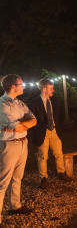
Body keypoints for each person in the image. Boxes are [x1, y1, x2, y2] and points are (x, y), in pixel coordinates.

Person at [0, 74, 37, 223]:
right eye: (21, 84)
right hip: (9, 145)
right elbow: (17, 126)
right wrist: (20, 124)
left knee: (17, 177)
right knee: (3, 181)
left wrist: (21, 124)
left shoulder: (20, 103)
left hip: (23, 143)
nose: (24, 86)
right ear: (12, 87)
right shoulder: (2, 104)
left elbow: (33, 120)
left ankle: (14, 206)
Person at [28, 79, 72, 189]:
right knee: (43, 156)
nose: (53, 90)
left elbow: (56, 116)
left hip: (55, 131)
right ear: (44, 89)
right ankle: (43, 178)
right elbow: (32, 121)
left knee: (59, 153)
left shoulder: (55, 100)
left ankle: (61, 173)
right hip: (43, 132)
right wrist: (38, 130)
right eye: (51, 88)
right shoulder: (33, 103)